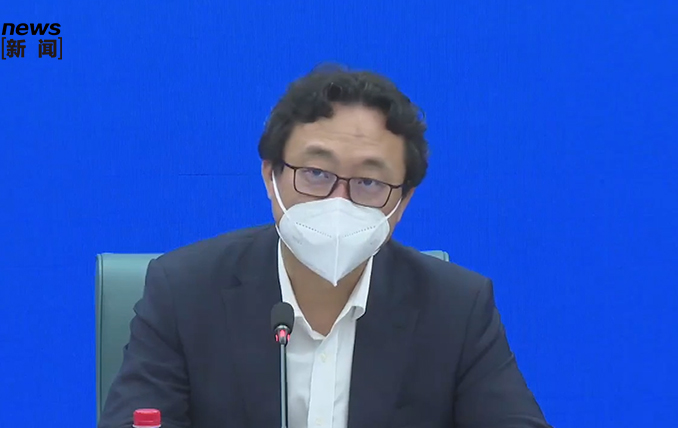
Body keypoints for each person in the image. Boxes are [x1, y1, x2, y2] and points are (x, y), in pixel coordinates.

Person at [98, 65, 551, 428]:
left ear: (403, 201)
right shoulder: (184, 290)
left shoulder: (456, 308)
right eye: (316, 174)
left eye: (369, 182)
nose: (339, 201)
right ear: (271, 176)